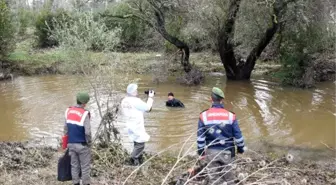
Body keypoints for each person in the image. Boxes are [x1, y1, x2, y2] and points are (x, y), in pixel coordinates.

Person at [197, 87, 245, 184]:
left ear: (211, 99)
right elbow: (238, 136)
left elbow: (200, 138)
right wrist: (240, 149)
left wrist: (201, 153)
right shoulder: (231, 116)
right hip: (228, 151)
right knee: (228, 176)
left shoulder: (203, 116)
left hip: (211, 152)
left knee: (214, 178)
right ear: (222, 100)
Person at [120, 83, 155, 165]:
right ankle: (133, 159)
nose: (137, 91)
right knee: (140, 144)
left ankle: (137, 159)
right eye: (136, 90)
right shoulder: (136, 101)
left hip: (129, 124)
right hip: (137, 124)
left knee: (136, 141)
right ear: (133, 92)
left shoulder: (124, 100)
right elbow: (148, 108)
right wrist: (150, 97)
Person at [64, 92, 92, 185]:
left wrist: (66, 143)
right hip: (82, 145)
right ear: (84, 103)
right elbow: (87, 132)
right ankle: (86, 183)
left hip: (71, 143)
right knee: (85, 167)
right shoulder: (85, 114)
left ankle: (75, 183)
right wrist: (89, 143)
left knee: (74, 165)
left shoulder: (68, 111)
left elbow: (65, 129)